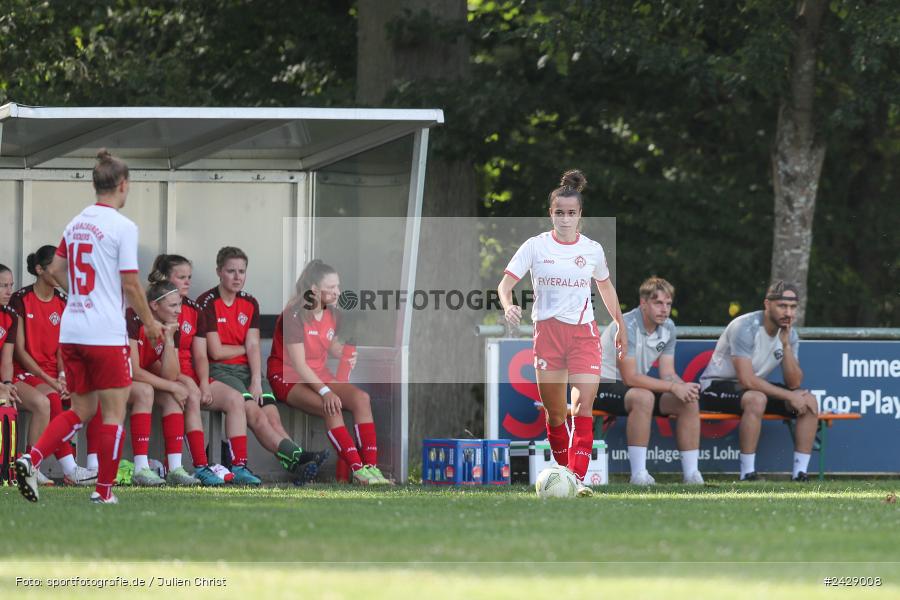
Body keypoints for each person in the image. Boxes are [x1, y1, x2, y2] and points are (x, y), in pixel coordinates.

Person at [15, 149, 163, 504]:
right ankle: (104, 492)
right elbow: (130, 283)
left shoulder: (75, 223)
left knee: (81, 410)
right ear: (123, 186)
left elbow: (59, 269)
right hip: (105, 333)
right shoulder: (123, 227)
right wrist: (151, 323)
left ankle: (30, 458)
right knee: (113, 413)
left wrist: (81, 293)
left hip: (73, 330)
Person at [498, 169, 627, 497]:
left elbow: (606, 287)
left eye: (571, 213)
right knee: (556, 413)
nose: (565, 219)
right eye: (559, 213)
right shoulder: (535, 246)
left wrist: (620, 325)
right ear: (550, 214)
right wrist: (508, 305)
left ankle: (577, 479)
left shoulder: (593, 250)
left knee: (584, 405)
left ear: (580, 215)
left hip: (584, 334)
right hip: (548, 335)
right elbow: (506, 284)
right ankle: (561, 470)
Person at [197, 246, 327, 484]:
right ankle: (299, 456)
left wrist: (257, 379)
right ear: (219, 272)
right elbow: (216, 351)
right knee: (255, 415)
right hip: (221, 371)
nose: (237, 277)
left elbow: (255, 347)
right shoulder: (207, 302)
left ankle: (297, 464)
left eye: (242, 271)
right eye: (231, 271)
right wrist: (247, 348)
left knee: (272, 416)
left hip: (248, 371)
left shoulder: (250, 303)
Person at [268, 260, 388, 485]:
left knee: (362, 399)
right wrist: (325, 391)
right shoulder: (293, 315)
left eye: (338, 286)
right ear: (314, 289)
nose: (338, 292)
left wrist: (345, 353)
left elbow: (329, 344)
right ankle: (359, 470)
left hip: (317, 374)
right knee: (331, 407)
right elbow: (300, 365)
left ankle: (373, 470)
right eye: (331, 288)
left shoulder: (334, 314)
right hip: (288, 376)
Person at [149, 253, 259, 486]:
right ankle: (200, 466)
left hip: (191, 375)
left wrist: (203, 381)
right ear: (167, 279)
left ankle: (238, 466)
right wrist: (189, 383)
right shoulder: (157, 309)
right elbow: (153, 359)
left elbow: (200, 354)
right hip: (166, 375)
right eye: (181, 277)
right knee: (192, 395)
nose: (188, 282)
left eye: (189, 277)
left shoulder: (195, 309)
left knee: (235, 400)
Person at [699, 280, 819, 481]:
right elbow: (746, 380)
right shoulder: (745, 326)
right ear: (767, 304)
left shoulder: (790, 334)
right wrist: (790, 396)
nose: (788, 313)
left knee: (809, 401)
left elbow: (794, 383)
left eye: (792, 307)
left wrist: (786, 346)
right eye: (782, 306)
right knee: (756, 398)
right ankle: (747, 473)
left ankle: (800, 474)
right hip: (715, 386)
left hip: (753, 389)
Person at [596, 277, 703, 485]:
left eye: (668, 304)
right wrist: (673, 386)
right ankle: (638, 475)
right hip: (598, 384)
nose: (664, 309)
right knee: (643, 397)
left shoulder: (669, 327)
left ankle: (692, 475)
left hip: (629, 388)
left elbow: (668, 373)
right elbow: (630, 377)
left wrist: (683, 388)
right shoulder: (627, 324)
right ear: (643, 304)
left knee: (688, 401)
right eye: (658, 303)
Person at [10, 247, 98, 487]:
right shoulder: (21, 299)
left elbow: (63, 348)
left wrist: (62, 376)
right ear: (40, 270)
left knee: (94, 397)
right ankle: (58, 468)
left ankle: (92, 465)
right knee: (53, 400)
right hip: (25, 372)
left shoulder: (62, 300)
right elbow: (20, 351)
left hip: (51, 374)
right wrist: (51, 382)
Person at [0, 264, 22, 418]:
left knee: (8, 404)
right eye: (3, 286)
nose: (9, 292)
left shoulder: (10, 316)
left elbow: (7, 360)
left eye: (11, 286)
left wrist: (7, 384)